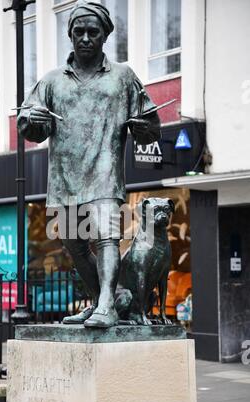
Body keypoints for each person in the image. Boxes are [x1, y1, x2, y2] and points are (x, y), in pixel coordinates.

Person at [18, 0, 161, 328]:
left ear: (104, 35)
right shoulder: (52, 81)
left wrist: (144, 127)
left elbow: (151, 126)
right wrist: (32, 119)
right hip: (65, 180)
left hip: (105, 176)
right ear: (69, 34)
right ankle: (105, 300)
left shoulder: (123, 77)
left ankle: (107, 306)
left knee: (106, 238)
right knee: (75, 247)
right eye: (78, 31)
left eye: (92, 32)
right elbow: (29, 127)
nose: (85, 37)